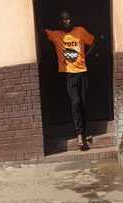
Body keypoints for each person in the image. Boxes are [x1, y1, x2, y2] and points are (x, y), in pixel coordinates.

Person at [42, 11, 97, 150]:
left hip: (82, 71)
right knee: (76, 102)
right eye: (64, 20)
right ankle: (79, 133)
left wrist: (86, 56)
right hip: (69, 75)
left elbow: (94, 41)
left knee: (83, 103)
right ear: (60, 22)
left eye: (68, 19)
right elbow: (40, 30)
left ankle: (85, 131)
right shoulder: (57, 35)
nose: (67, 21)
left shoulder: (80, 31)